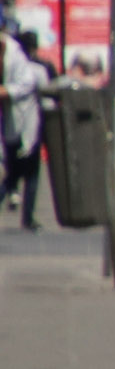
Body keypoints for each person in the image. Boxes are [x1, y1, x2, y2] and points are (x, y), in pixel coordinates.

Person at [1, 30, 44, 229]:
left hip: (26, 124)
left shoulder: (15, 56)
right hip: (11, 123)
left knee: (27, 173)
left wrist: (8, 91)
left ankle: (28, 217)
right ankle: (27, 217)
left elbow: (27, 85)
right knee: (13, 175)